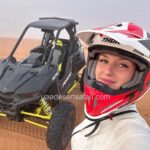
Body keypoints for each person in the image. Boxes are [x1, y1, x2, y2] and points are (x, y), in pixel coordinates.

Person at [71, 22, 150, 150]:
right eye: (103, 60)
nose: (107, 71)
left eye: (122, 65)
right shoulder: (100, 116)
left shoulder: (134, 138)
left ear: (140, 76)